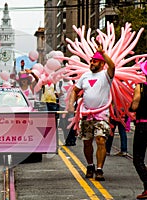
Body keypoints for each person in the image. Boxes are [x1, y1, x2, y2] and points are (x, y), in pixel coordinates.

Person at [68, 43, 115, 181]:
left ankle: (99, 169)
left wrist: (103, 52)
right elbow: (75, 91)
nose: (92, 63)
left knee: (101, 140)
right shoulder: (85, 76)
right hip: (86, 115)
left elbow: (112, 66)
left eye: (95, 60)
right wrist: (71, 103)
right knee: (87, 142)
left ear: (102, 63)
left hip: (101, 115)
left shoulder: (106, 75)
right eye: (91, 61)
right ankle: (90, 166)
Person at [129, 60, 147, 199]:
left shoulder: (140, 87)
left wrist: (130, 108)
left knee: (138, 158)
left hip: (143, 125)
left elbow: (135, 105)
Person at [55, 78, 76, 146]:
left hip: (71, 106)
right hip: (62, 106)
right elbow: (57, 95)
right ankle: (66, 139)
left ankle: (72, 139)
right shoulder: (59, 83)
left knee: (71, 123)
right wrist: (59, 93)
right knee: (64, 124)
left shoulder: (73, 81)